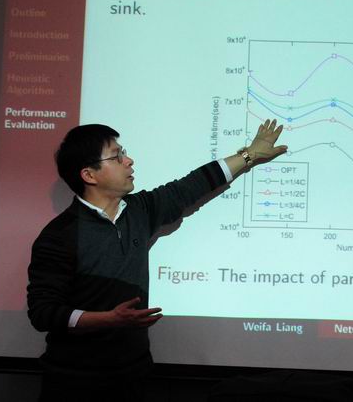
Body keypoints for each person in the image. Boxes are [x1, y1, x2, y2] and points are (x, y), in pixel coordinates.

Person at [27, 119, 287, 402]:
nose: (129, 161)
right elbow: (42, 313)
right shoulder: (59, 235)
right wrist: (108, 319)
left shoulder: (139, 210)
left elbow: (190, 186)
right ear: (89, 175)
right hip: (74, 382)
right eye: (116, 156)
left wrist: (249, 154)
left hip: (134, 375)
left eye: (124, 152)